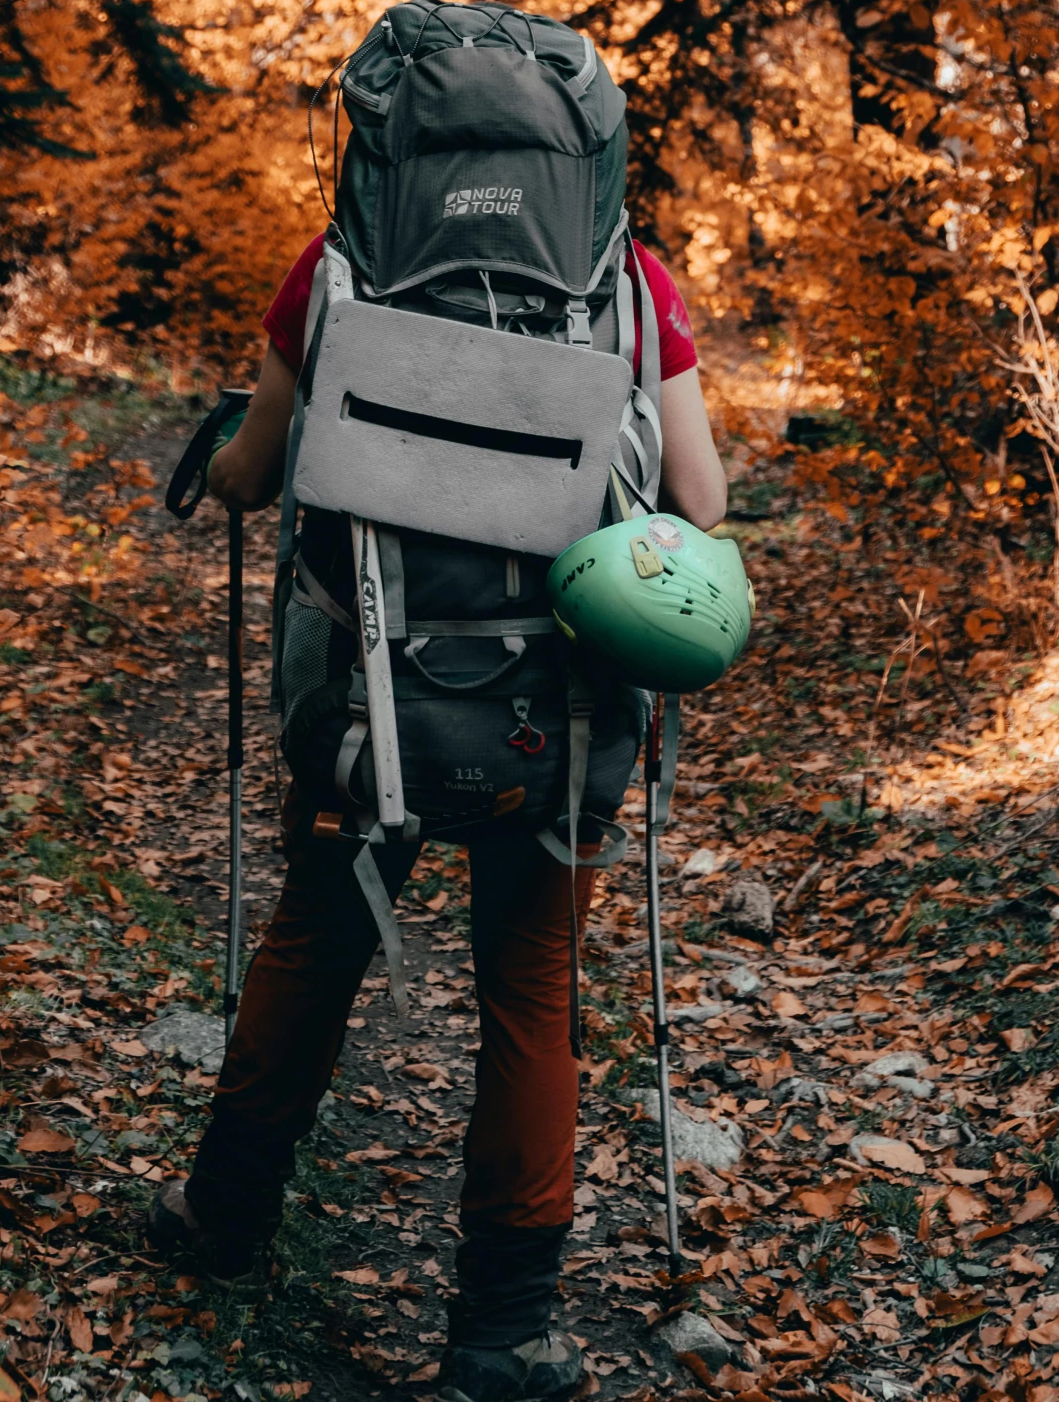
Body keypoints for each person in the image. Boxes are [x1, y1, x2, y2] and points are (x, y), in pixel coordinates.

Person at [150, 226, 726, 1402]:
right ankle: (503, 1332)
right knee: (535, 981)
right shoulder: (624, 279)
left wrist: (220, 465)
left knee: (315, 941)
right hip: (556, 720)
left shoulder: (336, 268)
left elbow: (255, 472)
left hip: (366, 708)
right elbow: (696, 498)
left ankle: (224, 1216)